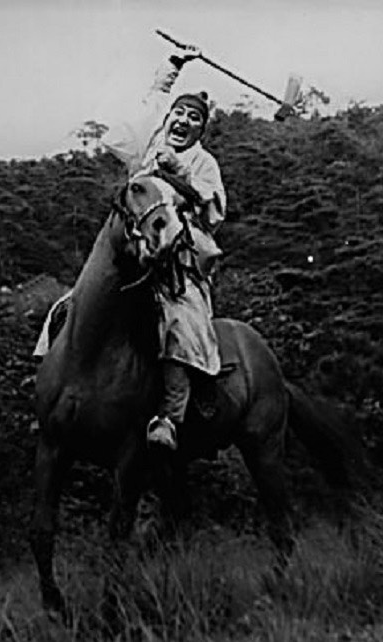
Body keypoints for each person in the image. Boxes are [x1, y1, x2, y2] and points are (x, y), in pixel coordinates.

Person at [104, 45, 227, 450]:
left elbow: (212, 209)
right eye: (180, 113)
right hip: (129, 244)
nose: (184, 121)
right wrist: (174, 64)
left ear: (201, 130)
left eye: (195, 118)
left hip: (174, 260)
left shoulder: (204, 162)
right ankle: (51, 379)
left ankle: (170, 418)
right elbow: (154, 99)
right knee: (78, 300)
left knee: (182, 324)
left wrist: (180, 174)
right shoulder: (151, 144)